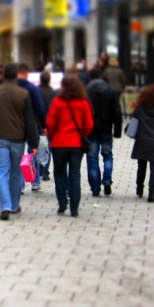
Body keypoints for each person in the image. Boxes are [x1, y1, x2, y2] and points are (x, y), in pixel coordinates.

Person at [0, 63, 39, 221]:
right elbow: (29, 120)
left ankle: (4, 206)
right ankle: (14, 205)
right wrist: (34, 143)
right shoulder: (24, 94)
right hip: (18, 138)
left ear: (4, 75)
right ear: (17, 75)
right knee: (15, 172)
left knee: (1, 171)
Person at [46, 76, 94, 217]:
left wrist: (52, 135)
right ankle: (74, 208)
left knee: (59, 173)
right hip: (76, 144)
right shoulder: (83, 103)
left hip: (59, 143)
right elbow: (89, 124)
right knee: (75, 175)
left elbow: (50, 123)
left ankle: (62, 202)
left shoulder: (57, 102)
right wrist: (82, 135)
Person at [86, 68, 122, 197]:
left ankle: (95, 188)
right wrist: (117, 131)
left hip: (91, 130)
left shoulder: (87, 90)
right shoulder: (110, 90)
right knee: (107, 155)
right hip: (106, 129)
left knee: (92, 158)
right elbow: (117, 112)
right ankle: (107, 180)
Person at [130, 85, 154, 202]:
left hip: (142, 141)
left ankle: (139, 188)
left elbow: (133, 122)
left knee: (142, 165)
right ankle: (152, 193)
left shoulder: (140, 108)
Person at [17, 64, 47, 192]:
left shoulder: (12, 87)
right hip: (32, 123)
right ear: (26, 73)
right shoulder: (31, 88)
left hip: (16, 124)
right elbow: (40, 108)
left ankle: (20, 186)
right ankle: (35, 182)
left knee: (18, 155)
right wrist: (43, 125)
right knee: (33, 151)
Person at [38, 71, 56, 182]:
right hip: (48, 123)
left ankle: (38, 171)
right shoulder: (52, 92)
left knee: (38, 147)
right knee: (46, 148)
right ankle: (44, 172)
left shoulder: (36, 91)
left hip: (37, 123)